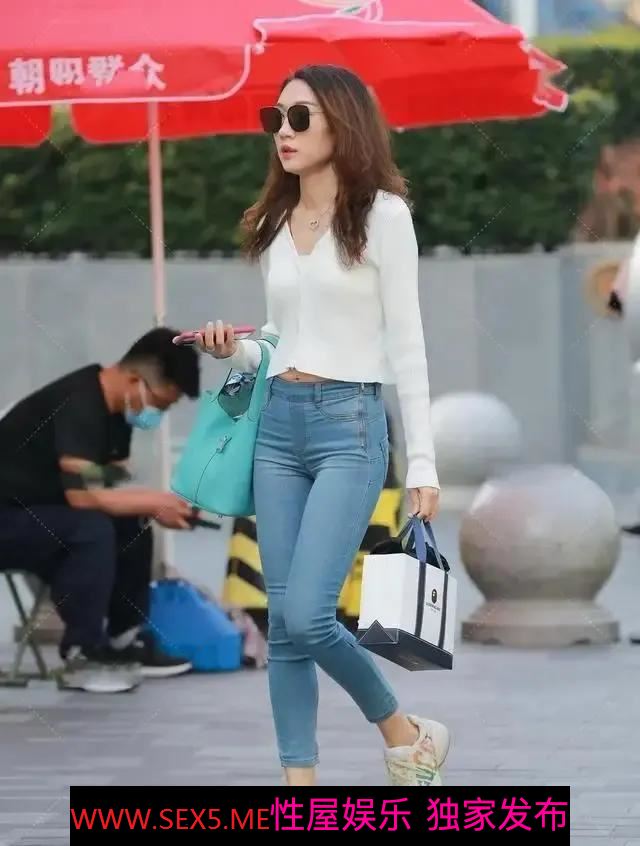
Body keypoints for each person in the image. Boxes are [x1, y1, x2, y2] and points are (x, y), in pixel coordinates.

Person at [195, 64, 449, 787]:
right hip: (277, 426)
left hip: (350, 427)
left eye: (300, 117)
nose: (283, 131)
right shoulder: (274, 221)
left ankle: (401, 729)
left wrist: (424, 464)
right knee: (283, 625)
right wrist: (232, 349)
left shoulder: (384, 216)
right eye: (274, 118)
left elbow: (409, 344)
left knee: (308, 615)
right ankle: (298, 790)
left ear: (344, 121)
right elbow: (278, 342)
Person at [0, 328, 199, 693]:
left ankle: (124, 639)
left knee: (131, 523)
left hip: (38, 515)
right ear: (136, 380)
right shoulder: (79, 403)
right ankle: (83, 653)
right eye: (159, 405)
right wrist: (156, 501)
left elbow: (108, 484)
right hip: (8, 517)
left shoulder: (116, 415)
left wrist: (155, 506)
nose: (157, 415)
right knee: (90, 529)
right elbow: (83, 497)